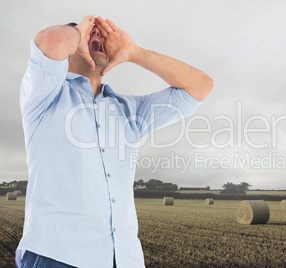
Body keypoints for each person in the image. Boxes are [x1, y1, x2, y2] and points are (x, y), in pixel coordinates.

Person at [16, 15, 213, 268]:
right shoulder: (44, 95)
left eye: (100, 35)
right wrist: (79, 31)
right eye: (91, 34)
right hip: (57, 255)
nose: (97, 36)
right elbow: (52, 39)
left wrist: (135, 52)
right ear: (69, 49)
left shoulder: (129, 110)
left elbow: (200, 86)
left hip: (125, 259)